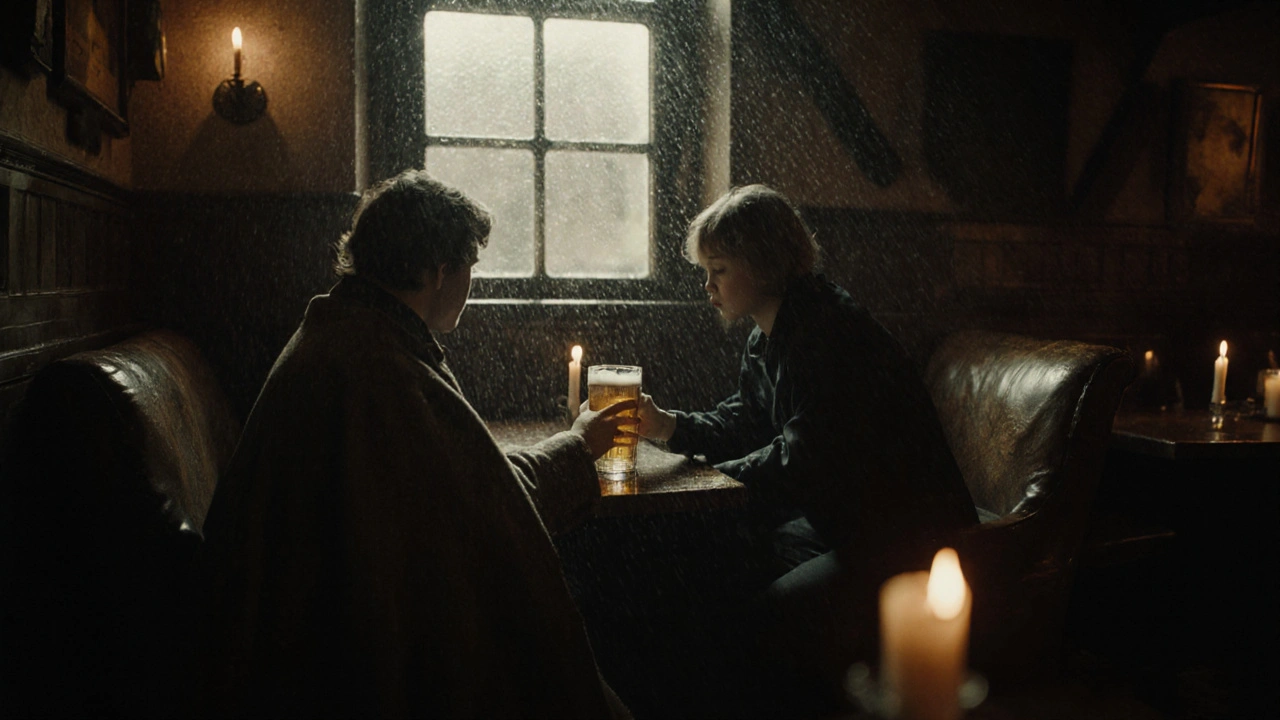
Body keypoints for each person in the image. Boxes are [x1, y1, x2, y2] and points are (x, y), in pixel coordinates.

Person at [192, 170, 635, 718]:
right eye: (471, 268)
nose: (472, 284)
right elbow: (481, 506)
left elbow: (460, 482)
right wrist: (576, 448)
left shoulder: (350, 328)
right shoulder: (378, 365)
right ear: (440, 268)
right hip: (330, 653)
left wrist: (565, 448)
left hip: (306, 616)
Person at [637, 184, 978, 712]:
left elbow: (804, 458)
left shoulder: (829, 332)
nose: (707, 286)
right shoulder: (769, 332)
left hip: (905, 536)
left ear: (764, 262)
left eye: (720, 269)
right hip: (839, 523)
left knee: (766, 616)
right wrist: (666, 426)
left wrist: (714, 479)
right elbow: (747, 420)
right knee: (703, 573)